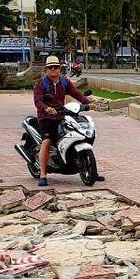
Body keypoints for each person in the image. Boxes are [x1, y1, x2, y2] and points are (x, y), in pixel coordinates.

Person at [33, 55, 95, 187]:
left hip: (62, 114)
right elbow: (37, 101)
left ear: (60, 69)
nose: (53, 69)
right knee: (47, 141)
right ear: (46, 70)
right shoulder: (40, 83)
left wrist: (88, 103)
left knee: (78, 133)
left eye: (56, 67)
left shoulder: (64, 81)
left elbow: (76, 93)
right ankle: (43, 174)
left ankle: (91, 170)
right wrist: (47, 108)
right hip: (46, 117)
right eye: (51, 67)